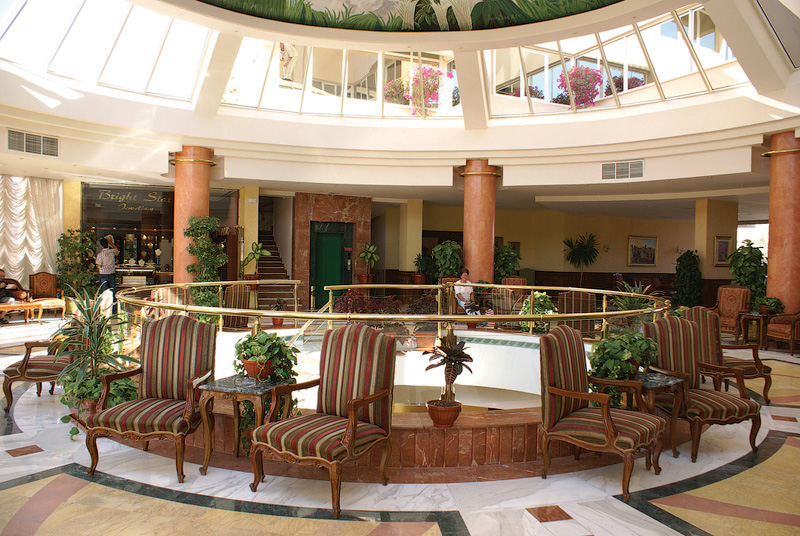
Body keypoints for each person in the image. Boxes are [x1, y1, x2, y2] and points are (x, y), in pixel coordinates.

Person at [96, 235, 118, 314]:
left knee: (104, 293)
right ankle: (114, 310)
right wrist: (111, 243)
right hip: (111, 274)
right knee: (113, 292)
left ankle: (105, 310)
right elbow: (116, 250)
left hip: (103, 274)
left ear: (101, 245)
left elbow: (99, 265)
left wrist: (99, 266)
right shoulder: (112, 252)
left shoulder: (100, 254)